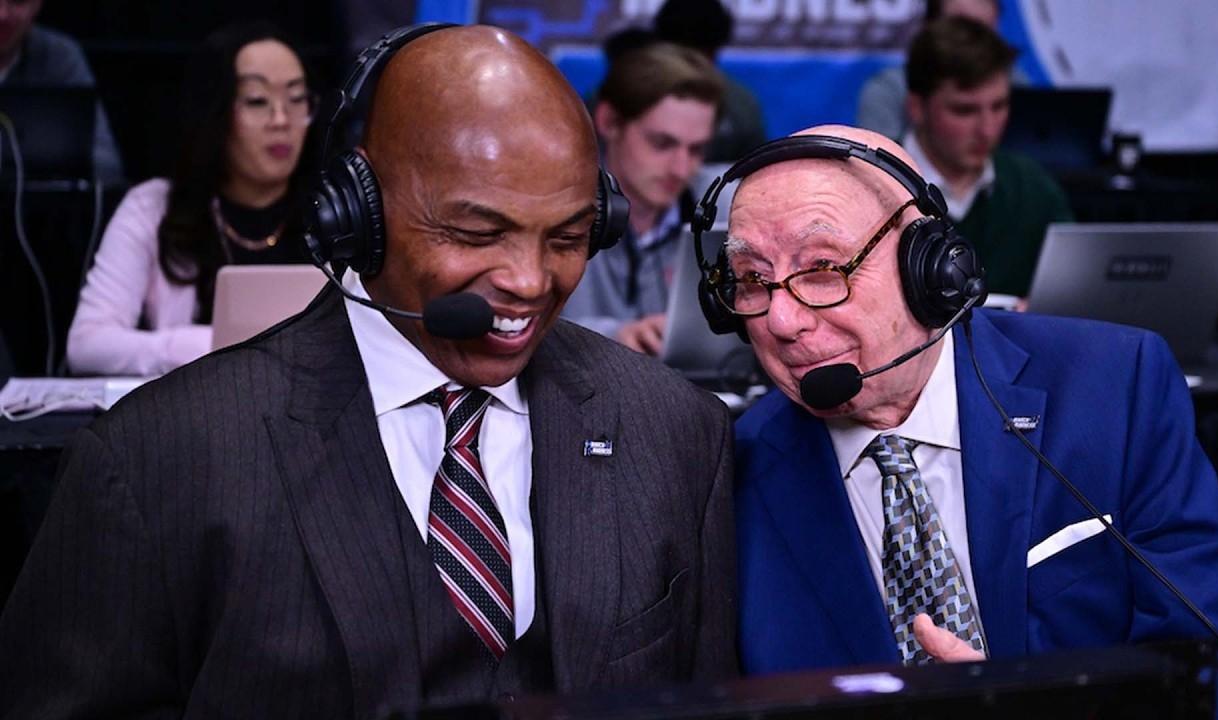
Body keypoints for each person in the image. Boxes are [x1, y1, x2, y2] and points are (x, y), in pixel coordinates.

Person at [0, 24, 736, 717]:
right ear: (359, 215)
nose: (529, 280)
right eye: (477, 233)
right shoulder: (155, 458)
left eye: (569, 238)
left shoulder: (676, 431)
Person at [722, 125, 1218, 719]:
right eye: (752, 279)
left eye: (823, 269)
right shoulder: (730, 467)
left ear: (928, 267)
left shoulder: (1116, 386)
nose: (781, 321)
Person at [64, 21, 315, 377]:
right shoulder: (153, 208)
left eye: (297, 99)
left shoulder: (335, 210)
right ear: (214, 111)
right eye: (257, 100)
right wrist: (210, 345)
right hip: (194, 405)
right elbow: (87, 345)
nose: (281, 120)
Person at [562, 41, 722, 356]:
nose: (681, 168)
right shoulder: (551, 206)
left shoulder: (725, 204)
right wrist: (612, 339)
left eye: (696, 149)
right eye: (662, 143)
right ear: (609, 121)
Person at [902, 15, 1071, 297]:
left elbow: (1073, 291)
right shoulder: (872, 187)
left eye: (999, 106)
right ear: (917, 108)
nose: (987, 129)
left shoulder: (1031, 187)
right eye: (964, 110)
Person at [856, 0, 1023, 143]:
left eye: (986, 33)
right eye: (963, 110)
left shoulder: (1018, 83)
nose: (987, 131)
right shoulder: (888, 90)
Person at [0, 0, 123, 180]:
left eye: (17, 1)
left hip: (36, 196)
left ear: (37, 5)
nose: (3, 14)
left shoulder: (59, 56)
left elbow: (106, 164)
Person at [652, 0, 766, 164]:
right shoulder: (637, 96)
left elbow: (756, 167)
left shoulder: (740, 105)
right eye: (661, 142)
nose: (681, 167)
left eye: (701, 54)